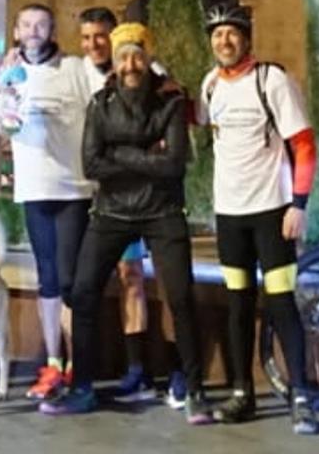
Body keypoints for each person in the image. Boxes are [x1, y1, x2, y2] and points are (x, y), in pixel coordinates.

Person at [40, 23, 211, 424]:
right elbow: (92, 164)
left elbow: (173, 165)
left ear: (148, 57)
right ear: (114, 63)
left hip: (163, 211)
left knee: (182, 296)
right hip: (112, 211)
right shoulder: (101, 102)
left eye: (136, 55)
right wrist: (142, 154)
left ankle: (195, 390)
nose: (130, 64)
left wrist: (121, 153)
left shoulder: (170, 99)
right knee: (82, 293)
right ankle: (82, 387)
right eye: (122, 57)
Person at [199, 2, 319, 435]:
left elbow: (304, 145)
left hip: (271, 211)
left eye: (231, 33)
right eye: (216, 35)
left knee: (281, 301)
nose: (224, 41)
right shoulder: (210, 85)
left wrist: (299, 204)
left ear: (246, 37)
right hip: (229, 214)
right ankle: (241, 392)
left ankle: (301, 395)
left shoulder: (272, 80)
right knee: (237, 304)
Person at [79, 6, 169, 405]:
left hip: (141, 200)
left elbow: (169, 141)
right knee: (87, 282)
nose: (94, 44)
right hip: (91, 196)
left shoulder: (154, 77)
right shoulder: (74, 70)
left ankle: (143, 368)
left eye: (102, 36)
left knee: (138, 277)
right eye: (87, 38)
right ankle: (83, 369)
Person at [5, 4, 94, 401]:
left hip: (73, 188)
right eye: (26, 24)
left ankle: (79, 364)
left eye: (41, 24)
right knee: (47, 278)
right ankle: (53, 363)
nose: (34, 31)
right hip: (33, 188)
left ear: (52, 29)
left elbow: (107, 89)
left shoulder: (75, 68)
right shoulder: (10, 73)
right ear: (16, 30)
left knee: (71, 280)